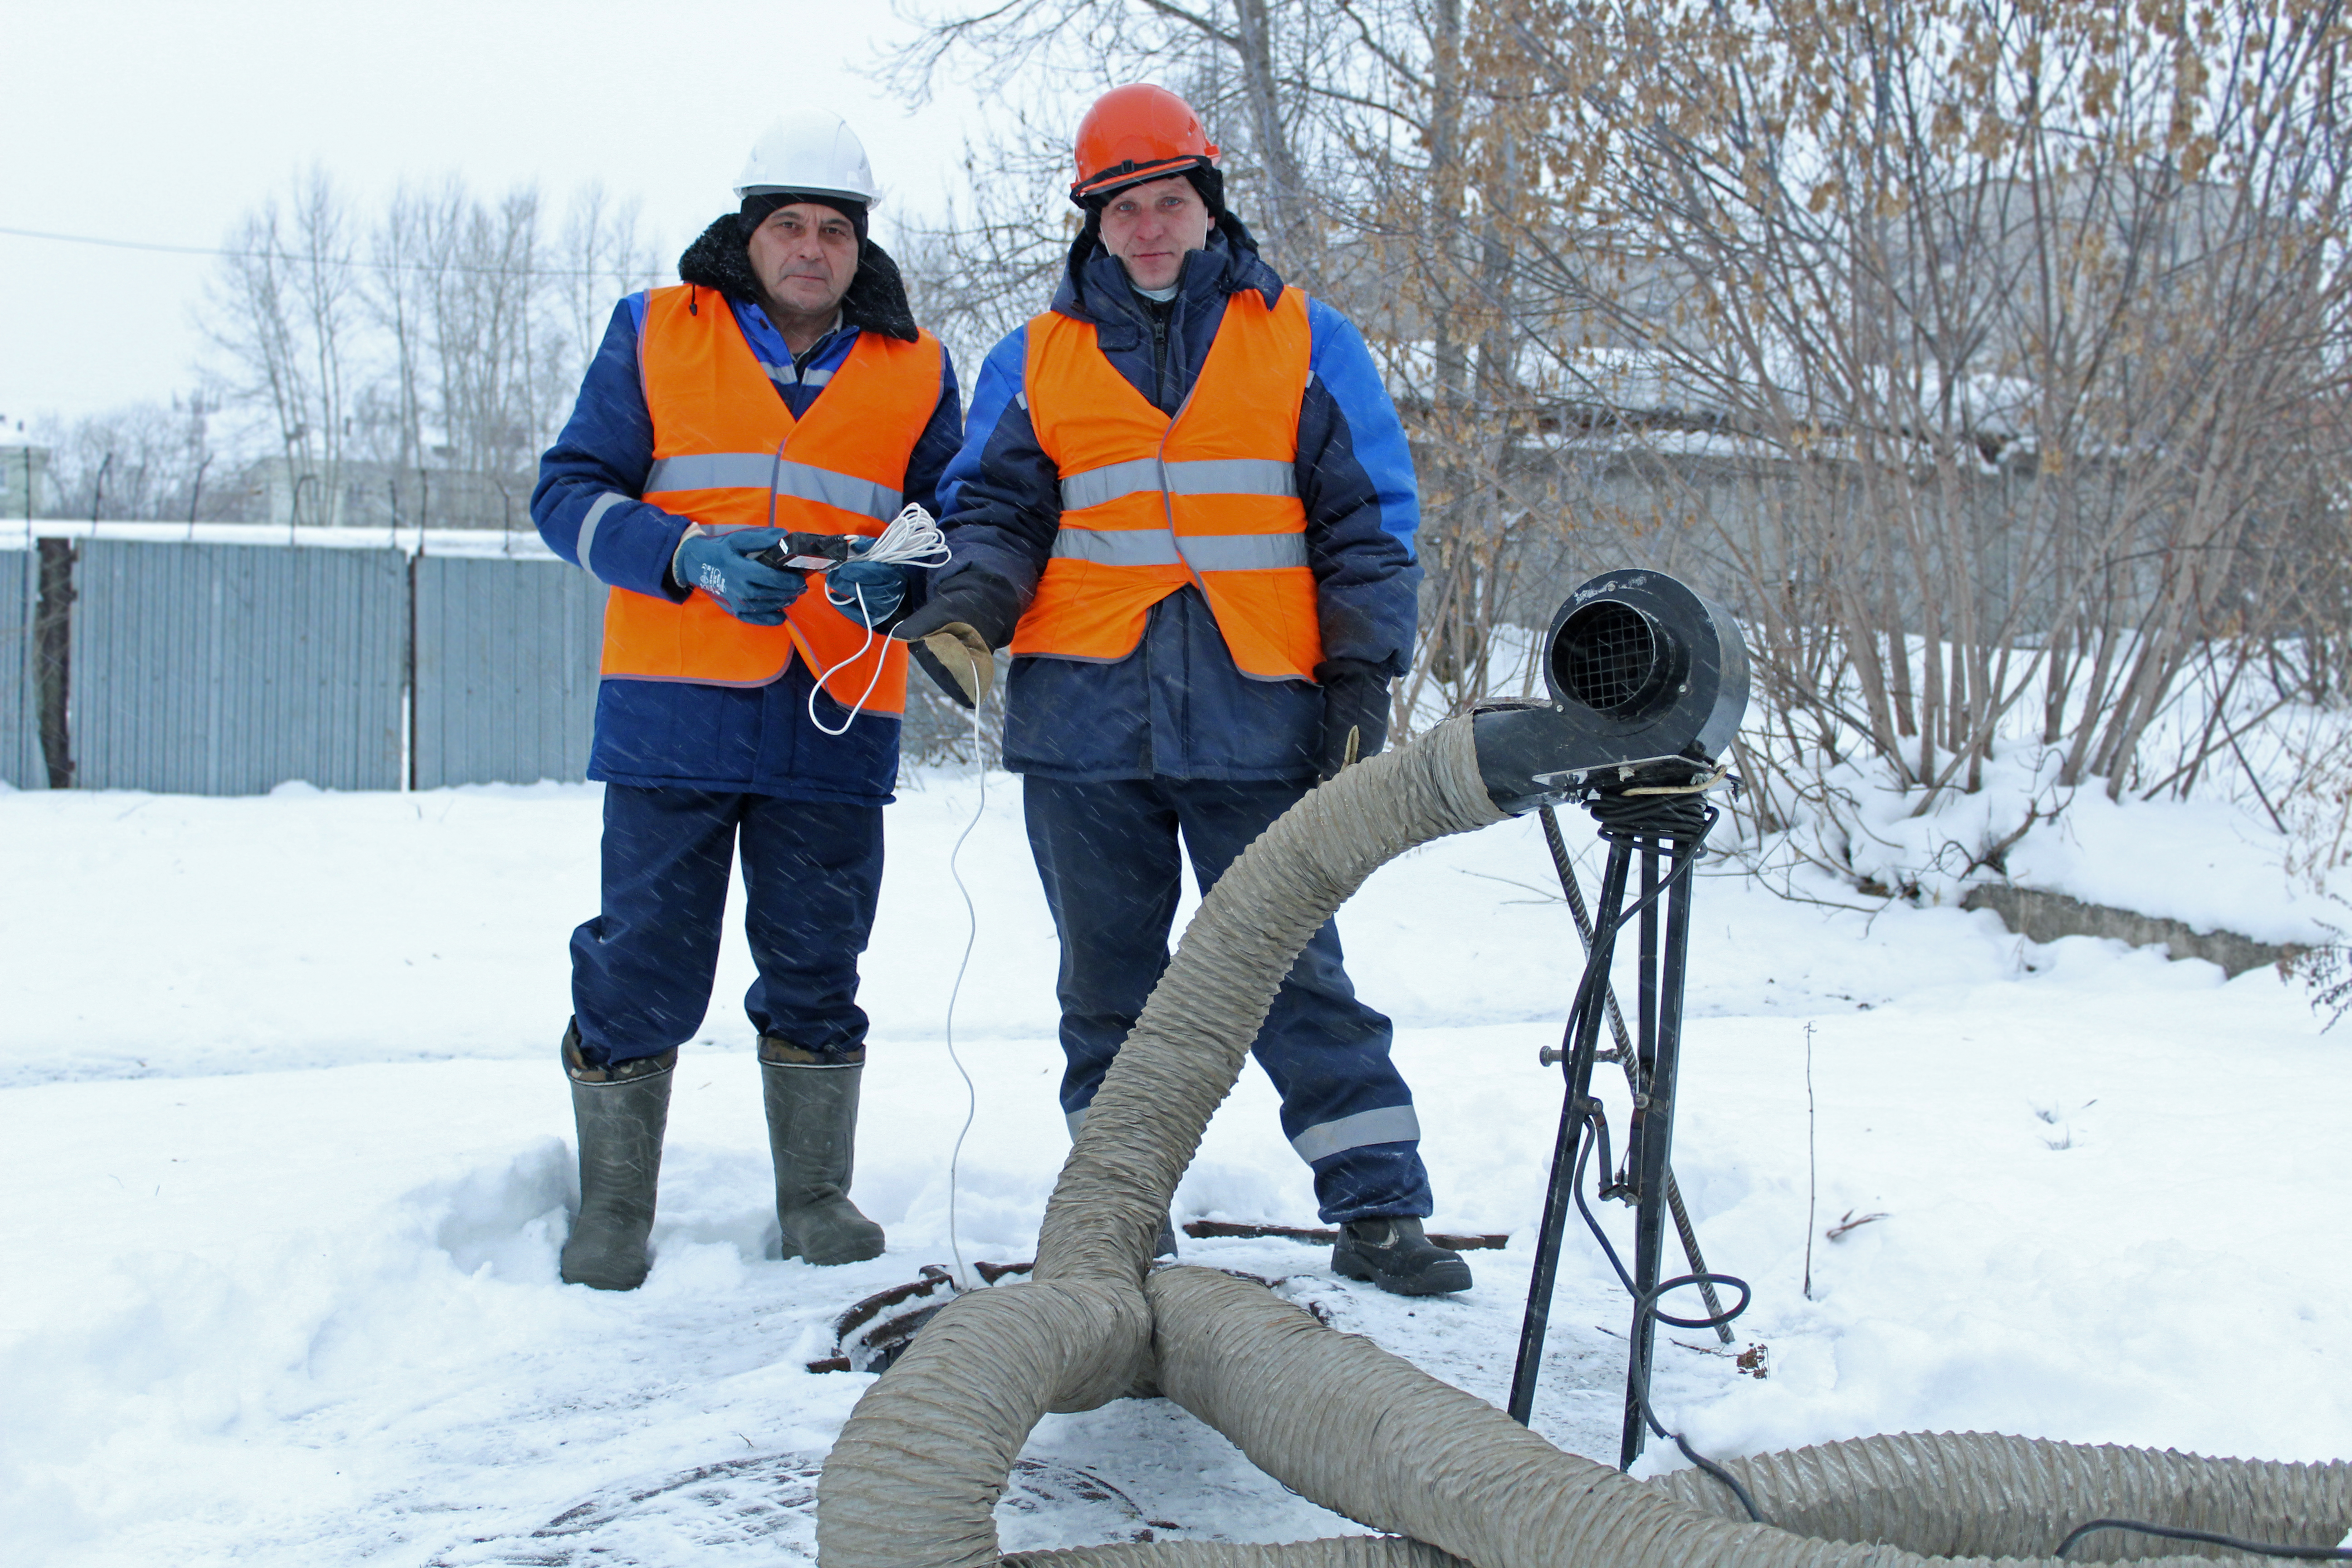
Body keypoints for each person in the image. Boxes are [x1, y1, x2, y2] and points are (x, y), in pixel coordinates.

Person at [894, 84, 1470, 1296]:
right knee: (1108, 987)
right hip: (1082, 725)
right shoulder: (1033, 357)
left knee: (1292, 969)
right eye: (1123, 208)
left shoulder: (1308, 340)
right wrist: (965, 611)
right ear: (1090, 222)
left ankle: (1378, 1208)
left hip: (1259, 716)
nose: (1149, 227)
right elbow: (993, 514)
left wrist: (1362, 670)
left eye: (1169, 201)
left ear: (1208, 204)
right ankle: (1118, 1218)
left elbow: (1367, 525)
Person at [530, 111, 961, 1291]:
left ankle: (815, 1196)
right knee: (645, 960)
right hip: (674, 706)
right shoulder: (654, 332)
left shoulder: (918, 365)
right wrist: (685, 557)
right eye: (789, 226)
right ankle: (614, 1206)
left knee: (819, 956)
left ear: (859, 244)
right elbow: (565, 493)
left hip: (835, 708)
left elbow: (955, 527)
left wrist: (907, 577)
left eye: (834, 229)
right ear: (748, 231)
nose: (811, 248)